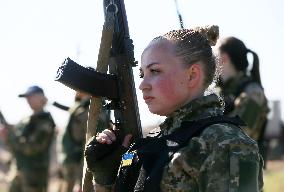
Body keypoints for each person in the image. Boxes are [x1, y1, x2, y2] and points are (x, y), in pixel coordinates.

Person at [85, 26, 264, 191]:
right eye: (142, 74)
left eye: (154, 71)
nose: (143, 85)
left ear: (192, 75)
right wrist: (105, 179)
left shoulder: (225, 144)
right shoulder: (155, 140)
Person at [216, 36, 270, 167]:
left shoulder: (252, 93)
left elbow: (239, 136)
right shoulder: (224, 92)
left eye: (214, 56)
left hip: (241, 180)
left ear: (224, 58)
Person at [0, 85, 56, 192]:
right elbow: (15, 146)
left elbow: (31, 148)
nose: (28, 100)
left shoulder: (45, 121)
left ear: (41, 98)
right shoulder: (25, 120)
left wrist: (10, 135)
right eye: (27, 98)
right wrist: (6, 136)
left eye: (31, 97)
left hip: (34, 176)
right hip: (18, 171)